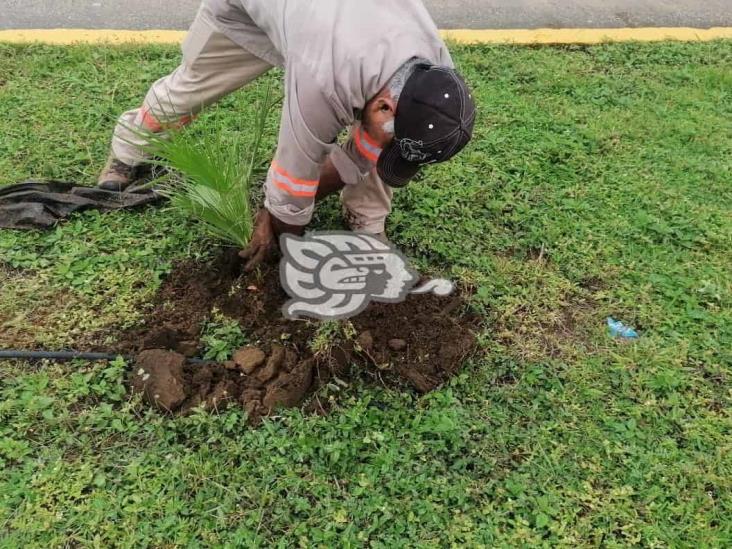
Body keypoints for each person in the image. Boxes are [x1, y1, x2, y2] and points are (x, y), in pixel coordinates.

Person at [98, 0, 476, 269]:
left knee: (381, 143)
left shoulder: (437, 78)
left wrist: (276, 210)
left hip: (323, 22)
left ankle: (367, 219)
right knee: (190, 89)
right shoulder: (325, 80)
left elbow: (379, 145)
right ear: (384, 107)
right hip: (247, 10)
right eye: (391, 137)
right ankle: (129, 148)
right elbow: (295, 169)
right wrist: (280, 227)